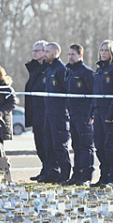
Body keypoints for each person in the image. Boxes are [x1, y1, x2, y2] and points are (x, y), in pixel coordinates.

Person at [89, 40, 113, 186]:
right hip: (98, 112)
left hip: (110, 113)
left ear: (112, 52)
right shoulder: (98, 70)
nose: (103, 53)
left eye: (106, 50)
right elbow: (95, 93)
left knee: (110, 145)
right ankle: (104, 176)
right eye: (101, 50)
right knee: (99, 146)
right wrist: (91, 112)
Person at [64, 44, 95, 186]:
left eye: (73, 54)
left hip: (84, 115)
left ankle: (86, 176)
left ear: (80, 56)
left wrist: (91, 114)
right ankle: (76, 175)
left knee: (86, 146)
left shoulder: (86, 72)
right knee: (76, 145)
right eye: (69, 54)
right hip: (73, 114)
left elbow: (93, 95)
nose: (70, 57)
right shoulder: (69, 71)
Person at [42, 42, 72, 184]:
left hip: (59, 114)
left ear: (55, 53)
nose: (45, 54)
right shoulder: (49, 70)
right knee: (49, 145)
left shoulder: (61, 69)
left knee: (60, 145)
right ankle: (52, 172)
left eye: (47, 51)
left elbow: (67, 92)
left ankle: (65, 173)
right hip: (48, 113)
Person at [25, 40, 49, 182]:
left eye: (37, 50)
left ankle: (50, 170)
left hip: (46, 114)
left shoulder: (49, 68)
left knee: (47, 144)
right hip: (35, 114)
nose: (34, 53)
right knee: (39, 144)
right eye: (33, 50)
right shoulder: (33, 69)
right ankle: (44, 168)